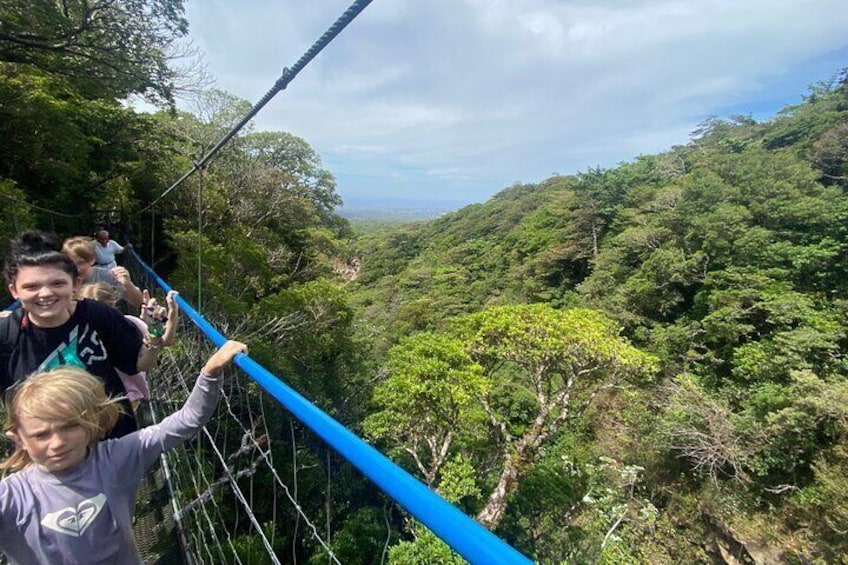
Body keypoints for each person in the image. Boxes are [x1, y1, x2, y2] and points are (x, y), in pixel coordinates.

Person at [0, 339, 248, 564]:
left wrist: (210, 373)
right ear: (18, 439)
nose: (56, 443)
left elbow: (186, 421)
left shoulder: (116, 457)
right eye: (41, 435)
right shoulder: (12, 497)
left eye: (69, 427)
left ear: (92, 424)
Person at [0, 231, 161, 438]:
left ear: (75, 284)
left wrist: (155, 336)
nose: (46, 293)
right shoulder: (6, 335)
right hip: (50, 454)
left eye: (58, 283)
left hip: (112, 443)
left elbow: (139, 364)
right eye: (31, 287)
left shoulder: (97, 315)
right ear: (14, 291)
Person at [76, 284, 180, 409]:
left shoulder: (129, 324)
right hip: (92, 398)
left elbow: (162, 341)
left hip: (128, 396)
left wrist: (169, 316)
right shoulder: (75, 335)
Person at [62, 236, 143, 310]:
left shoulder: (108, 276)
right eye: (71, 263)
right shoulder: (62, 280)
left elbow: (138, 303)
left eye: (81, 263)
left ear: (92, 260)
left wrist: (127, 284)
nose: (77, 268)